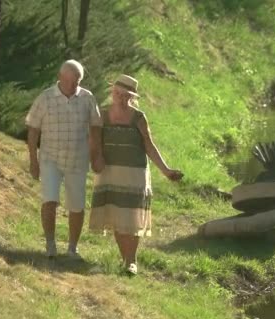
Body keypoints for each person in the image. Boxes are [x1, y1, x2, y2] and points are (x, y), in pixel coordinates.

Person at [89, 74, 183, 275]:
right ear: (112, 92)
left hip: (135, 173)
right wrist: (95, 159)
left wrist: (166, 170)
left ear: (132, 97)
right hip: (110, 172)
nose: (120, 99)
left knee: (132, 218)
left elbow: (149, 145)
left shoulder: (138, 117)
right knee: (116, 216)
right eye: (117, 94)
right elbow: (94, 141)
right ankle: (125, 259)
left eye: (125, 96)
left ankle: (132, 261)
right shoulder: (102, 114)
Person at [25, 59, 104, 258]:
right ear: (59, 77)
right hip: (50, 157)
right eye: (67, 80)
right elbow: (33, 130)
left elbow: (95, 128)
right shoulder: (45, 98)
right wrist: (33, 161)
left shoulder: (87, 98)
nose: (71, 85)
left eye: (75, 81)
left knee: (76, 206)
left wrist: (96, 156)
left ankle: (72, 248)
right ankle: (50, 244)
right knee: (50, 200)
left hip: (77, 159)